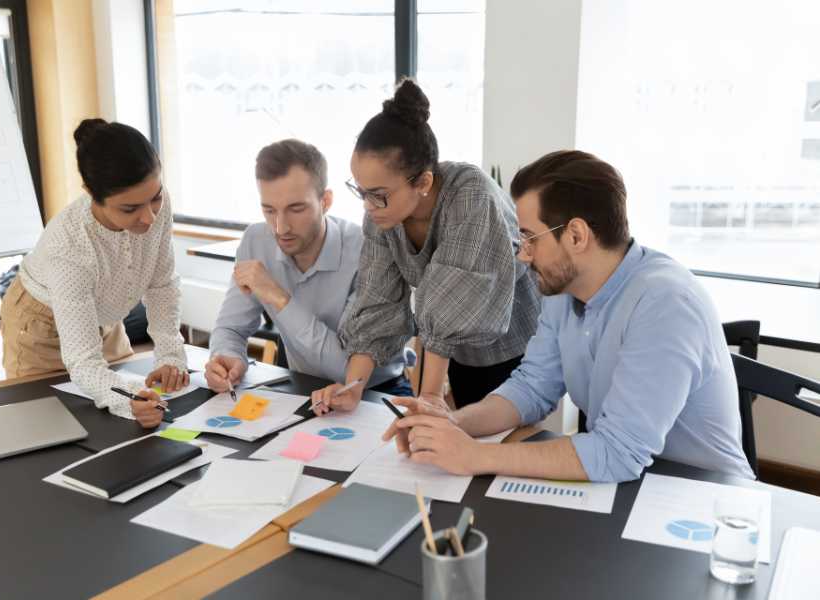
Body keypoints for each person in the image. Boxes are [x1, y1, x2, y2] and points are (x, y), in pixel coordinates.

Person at [384, 150, 755, 482]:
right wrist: (451, 424)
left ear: (576, 235)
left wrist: (474, 455)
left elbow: (617, 453)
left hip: (703, 499)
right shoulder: (563, 290)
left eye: (530, 238)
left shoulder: (666, 303)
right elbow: (531, 388)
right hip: (627, 487)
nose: (523, 255)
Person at [311, 79, 540, 414]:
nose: (368, 205)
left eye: (378, 194)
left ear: (423, 182)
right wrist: (354, 386)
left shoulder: (471, 197)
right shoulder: (383, 216)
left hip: (515, 348)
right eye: (361, 191)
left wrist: (430, 397)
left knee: (498, 445)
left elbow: (452, 303)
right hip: (459, 355)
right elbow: (376, 299)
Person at [0, 119, 187, 428]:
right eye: (130, 209)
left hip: (104, 312)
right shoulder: (70, 245)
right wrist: (128, 399)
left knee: (119, 425)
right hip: (40, 322)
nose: (150, 217)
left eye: (155, 198)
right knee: (49, 428)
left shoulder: (157, 204)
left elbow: (162, 283)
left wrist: (170, 355)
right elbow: (84, 362)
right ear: (90, 193)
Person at [205, 139, 408, 394]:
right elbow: (231, 327)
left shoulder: (368, 251)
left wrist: (279, 297)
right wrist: (228, 357)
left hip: (376, 389)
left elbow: (347, 371)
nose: (280, 228)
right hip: (304, 385)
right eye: (269, 210)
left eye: (296, 209)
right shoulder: (255, 240)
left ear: (326, 201)